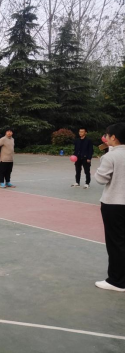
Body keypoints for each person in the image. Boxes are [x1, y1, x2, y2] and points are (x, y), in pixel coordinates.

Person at [94, 123, 125, 292]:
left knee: (115, 243)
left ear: (113, 137)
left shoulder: (110, 156)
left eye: (107, 135)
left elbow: (101, 179)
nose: (105, 138)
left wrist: (104, 158)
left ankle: (117, 281)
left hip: (114, 203)